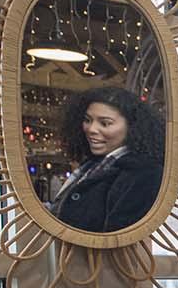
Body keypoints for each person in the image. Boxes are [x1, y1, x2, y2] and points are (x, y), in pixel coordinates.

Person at [47, 86, 165, 233]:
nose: (91, 129)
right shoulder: (93, 164)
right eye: (87, 120)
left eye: (105, 123)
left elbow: (119, 240)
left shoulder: (144, 173)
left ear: (132, 127)